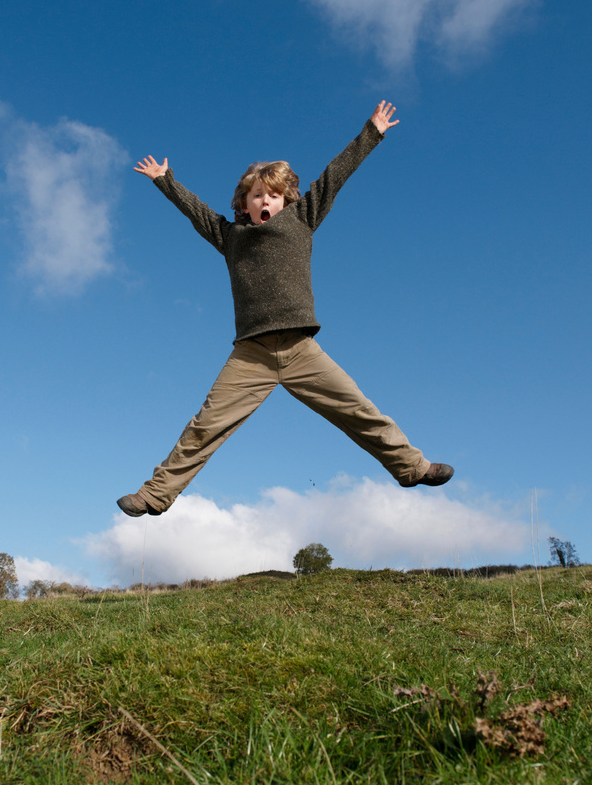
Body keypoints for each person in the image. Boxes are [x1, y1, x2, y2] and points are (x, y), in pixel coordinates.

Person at [117, 101, 453, 518]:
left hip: (300, 350)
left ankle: (412, 467)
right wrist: (165, 181)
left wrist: (372, 133)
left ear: (285, 201)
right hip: (251, 354)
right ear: (244, 203)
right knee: (205, 426)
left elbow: (334, 177)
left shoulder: (301, 219)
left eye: (273, 196)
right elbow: (197, 212)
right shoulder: (231, 236)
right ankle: (154, 495)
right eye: (257, 195)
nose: (265, 201)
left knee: (359, 409)